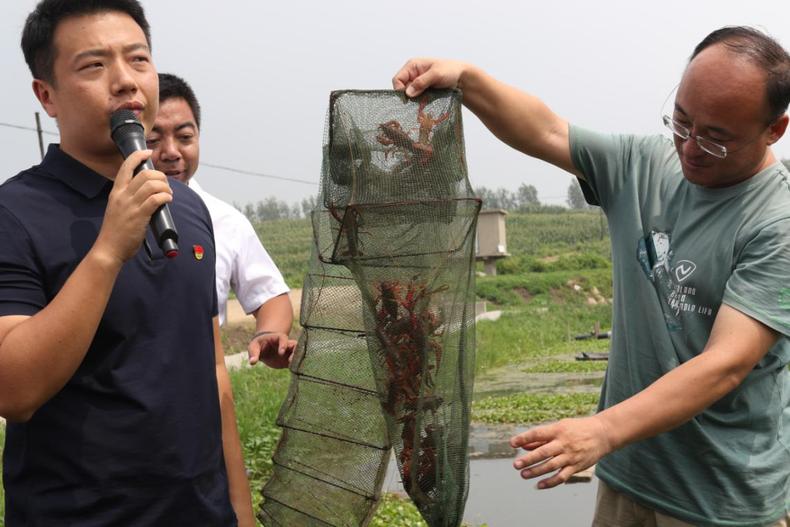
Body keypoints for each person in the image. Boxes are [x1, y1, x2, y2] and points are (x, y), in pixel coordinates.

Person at [393, 26, 790, 527]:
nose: (689, 147)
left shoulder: (778, 222)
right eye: (682, 122)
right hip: (630, 477)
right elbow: (548, 131)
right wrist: (468, 80)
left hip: (721, 496)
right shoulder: (646, 164)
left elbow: (725, 365)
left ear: (774, 129)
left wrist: (601, 430)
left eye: (716, 138)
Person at [0, 1, 269, 524]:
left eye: (138, 60)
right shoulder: (14, 214)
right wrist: (107, 251)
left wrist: (239, 510)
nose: (125, 82)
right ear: (46, 95)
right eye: (94, 65)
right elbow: (14, 392)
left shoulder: (186, 206)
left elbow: (212, 371)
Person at [147, 73, 294, 367]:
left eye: (185, 137)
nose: (172, 152)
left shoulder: (225, 220)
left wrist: (269, 333)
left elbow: (270, 294)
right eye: (153, 139)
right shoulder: (105, 218)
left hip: (202, 386)